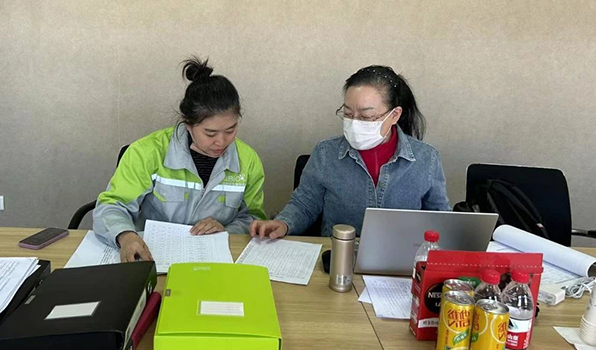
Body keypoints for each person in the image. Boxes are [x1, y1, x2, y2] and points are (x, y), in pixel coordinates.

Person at [94, 57, 266, 262]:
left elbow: (253, 217)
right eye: (210, 133)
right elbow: (112, 206)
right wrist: (126, 236)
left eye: (230, 130)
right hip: (151, 256)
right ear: (188, 125)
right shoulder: (147, 152)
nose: (221, 142)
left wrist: (227, 230)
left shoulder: (248, 160)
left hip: (213, 260)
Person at [250, 65, 449, 239]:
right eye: (347, 114)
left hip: (401, 261)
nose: (354, 123)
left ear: (394, 115)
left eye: (366, 116)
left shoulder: (426, 159)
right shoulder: (326, 153)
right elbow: (304, 205)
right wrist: (284, 223)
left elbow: (441, 218)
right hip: (338, 255)